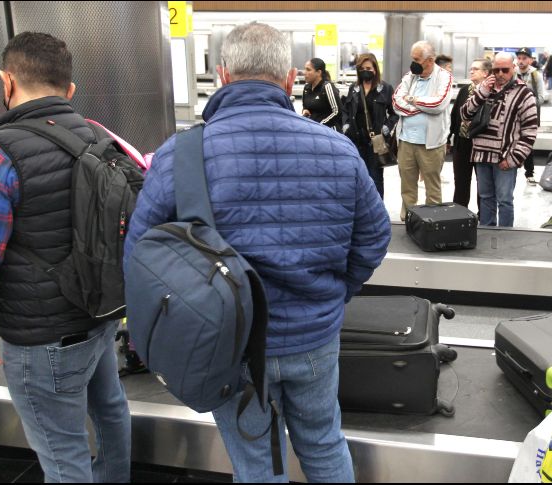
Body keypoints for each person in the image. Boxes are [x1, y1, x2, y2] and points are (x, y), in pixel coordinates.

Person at [124, 23, 391, 483]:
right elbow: (375, 237)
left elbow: (140, 256)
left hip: (230, 344)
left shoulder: (180, 154)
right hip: (314, 336)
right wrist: (335, 292)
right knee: (324, 442)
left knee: (256, 461)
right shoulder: (338, 150)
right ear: (289, 80)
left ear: (224, 76)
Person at [0, 32, 131, 483]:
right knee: (110, 411)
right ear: (70, 90)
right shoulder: (99, 136)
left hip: (39, 336)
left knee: (61, 450)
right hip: (98, 315)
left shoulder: (1, 153)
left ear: (6, 83)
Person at [460, 52, 538, 227]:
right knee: (485, 198)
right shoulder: (483, 89)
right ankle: (487, 235)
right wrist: (482, 92)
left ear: (513, 68)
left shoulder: (524, 93)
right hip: (481, 155)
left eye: (505, 70)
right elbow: (465, 113)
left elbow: (530, 131)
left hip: (505, 158)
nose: (500, 74)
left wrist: (514, 158)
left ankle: (505, 239)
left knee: (504, 201)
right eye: (496, 70)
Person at [392, 40, 454, 220]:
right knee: (407, 186)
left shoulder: (444, 77)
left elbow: (438, 104)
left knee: (432, 188)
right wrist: (418, 104)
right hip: (406, 141)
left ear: (430, 60)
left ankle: (431, 222)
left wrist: (410, 99)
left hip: (431, 145)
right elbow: (396, 101)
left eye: (417, 59)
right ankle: (410, 220)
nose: (413, 63)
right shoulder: (410, 76)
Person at [341, 52, 399, 199]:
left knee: (376, 178)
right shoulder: (354, 89)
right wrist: (346, 124)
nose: (365, 71)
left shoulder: (385, 88)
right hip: (356, 140)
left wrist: (386, 128)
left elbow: (394, 113)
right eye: (362, 68)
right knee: (358, 177)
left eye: (368, 68)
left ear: (375, 69)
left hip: (376, 142)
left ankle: (378, 210)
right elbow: (346, 110)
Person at [449, 58, 491, 208]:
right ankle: (459, 215)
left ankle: (483, 217)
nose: (471, 71)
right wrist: (450, 137)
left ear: (486, 73)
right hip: (462, 142)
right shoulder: (465, 90)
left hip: (481, 143)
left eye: (476, 69)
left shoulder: (491, 93)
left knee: (483, 185)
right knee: (460, 182)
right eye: (471, 68)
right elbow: (455, 115)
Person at [515, 47, 545, 185]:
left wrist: (527, 104)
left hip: (529, 117)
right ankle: (512, 168)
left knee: (528, 143)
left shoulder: (535, 75)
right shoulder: (513, 73)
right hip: (514, 116)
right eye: (519, 58)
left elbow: (541, 98)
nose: (521, 61)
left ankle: (529, 172)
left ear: (530, 60)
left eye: (524, 58)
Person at [302, 57, 343, 131]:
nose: (304, 72)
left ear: (318, 72)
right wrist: (304, 110)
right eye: (305, 69)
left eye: (308, 70)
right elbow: (305, 106)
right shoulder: (306, 88)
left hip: (328, 131)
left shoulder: (327, 87)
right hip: (312, 130)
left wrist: (321, 125)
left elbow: (337, 111)